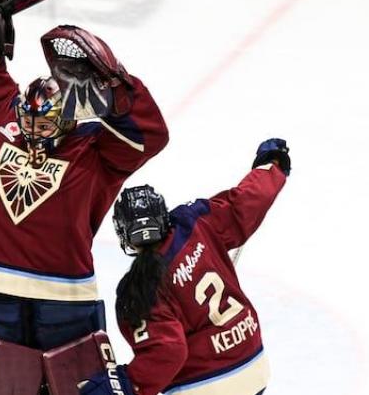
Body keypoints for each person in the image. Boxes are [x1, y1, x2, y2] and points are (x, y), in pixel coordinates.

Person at [0, 0, 169, 381]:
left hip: (63, 295)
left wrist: (115, 84)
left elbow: (151, 135)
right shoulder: (2, 115)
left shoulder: (95, 147)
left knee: (75, 388)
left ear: (69, 119)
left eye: (45, 125)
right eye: (27, 122)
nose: (33, 131)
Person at [79, 138, 290, 395]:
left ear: (125, 235)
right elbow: (248, 201)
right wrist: (270, 167)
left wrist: (127, 382)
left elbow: (167, 352)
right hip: (253, 362)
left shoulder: (136, 290)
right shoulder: (195, 222)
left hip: (203, 384)